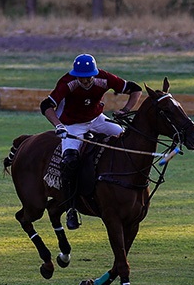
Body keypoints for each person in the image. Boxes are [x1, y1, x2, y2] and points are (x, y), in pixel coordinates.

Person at [39, 54, 142, 229]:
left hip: (97, 120)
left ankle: (134, 188)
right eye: (81, 78)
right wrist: (59, 126)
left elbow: (135, 89)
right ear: (75, 74)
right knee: (69, 161)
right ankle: (71, 208)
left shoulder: (104, 78)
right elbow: (46, 105)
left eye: (88, 78)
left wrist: (125, 110)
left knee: (125, 140)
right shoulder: (67, 82)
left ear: (94, 74)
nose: (85, 81)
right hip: (72, 125)